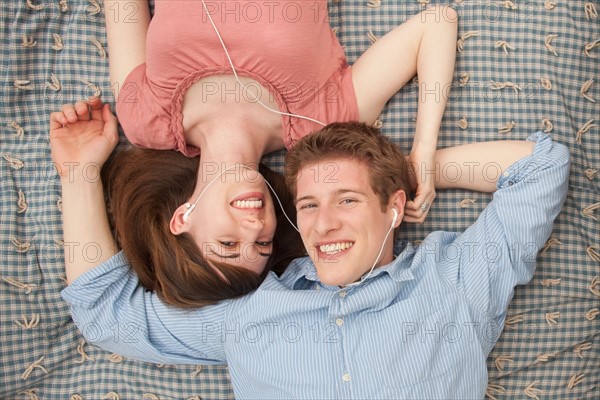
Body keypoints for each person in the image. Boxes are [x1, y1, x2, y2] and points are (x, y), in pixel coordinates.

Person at [54, 114, 570, 398]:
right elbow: (106, 315)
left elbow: (540, 167)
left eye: (346, 200)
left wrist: (410, 176)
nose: (322, 224)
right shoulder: (249, 311)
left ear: (393, 208)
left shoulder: (456, 280)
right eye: (308, 205)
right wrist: (78, 174)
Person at [55, 0, 458, 304]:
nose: (254, 230)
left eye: (228, 245)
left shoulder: (145, 122)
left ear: (182, 218)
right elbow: (436, 25)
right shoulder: (319, 122)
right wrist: (423, 152)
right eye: (263, 247)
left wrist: (79, 171)